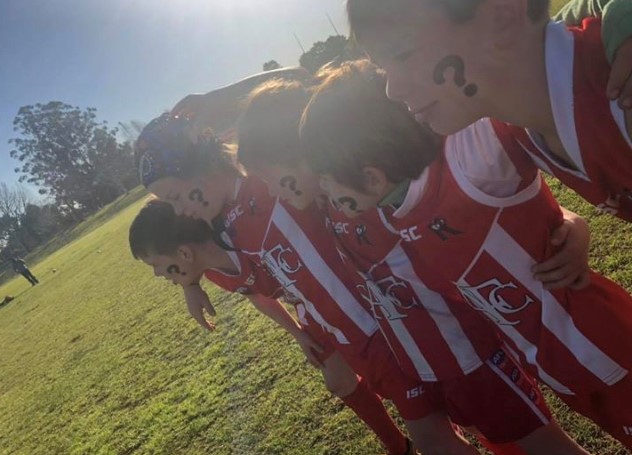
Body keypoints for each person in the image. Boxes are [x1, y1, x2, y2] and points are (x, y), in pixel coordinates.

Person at [298, 59, 632, 450]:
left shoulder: (468, 163)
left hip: (604, 345)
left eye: (327, 180)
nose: (323, 191)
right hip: (557, 366)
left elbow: (528, 84)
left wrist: (572, 222)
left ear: (372, 178)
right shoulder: (392, 213)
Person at [129, 199, 416, 455]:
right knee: (338, 381)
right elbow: (258, 296)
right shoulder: (211, 270)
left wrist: (190, 285)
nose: (157, 274)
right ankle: (399, 447)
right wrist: (298, 334)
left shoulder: (239, 236)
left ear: (183, 253)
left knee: (391, 372)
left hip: (338, 293)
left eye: (156, 265)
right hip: (309, 309)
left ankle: (426, 429)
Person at [345, 0, 632, 221]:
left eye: (403, 54)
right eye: (383, 67)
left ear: (503, 16)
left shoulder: (616, 88)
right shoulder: (515, 123)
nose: (392, 90)